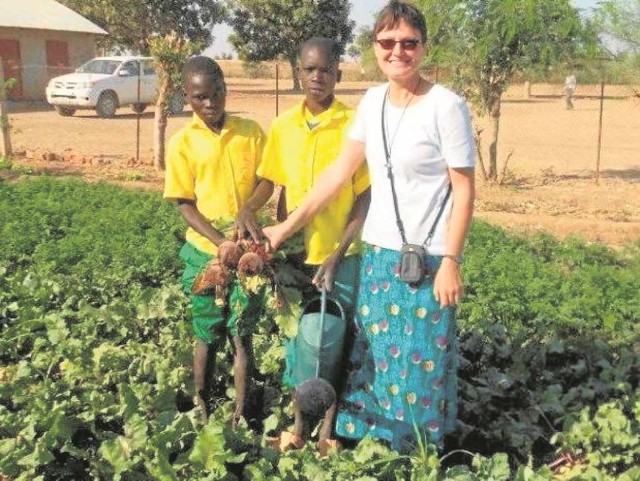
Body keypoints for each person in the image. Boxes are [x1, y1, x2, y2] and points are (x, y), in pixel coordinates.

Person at [263, 0, 476, 453]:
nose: (398, 51)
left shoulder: (446, 106)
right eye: (387, 42)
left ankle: (414, 452)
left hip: (429, 257)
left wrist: (451, 261)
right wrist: (284, 228)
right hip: (379, 255)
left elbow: (464, 189)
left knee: (420, 363)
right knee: (377, 359)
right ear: (375, 46)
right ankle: (373, 449)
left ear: (423, 47)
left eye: (408, 42)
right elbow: (338, 175)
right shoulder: (372, 102)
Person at [236, 37, 371, 454]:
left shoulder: (354, 125)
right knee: (299, 341)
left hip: (340, 255)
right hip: (294, 255)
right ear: (299, 72)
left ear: (338, 74)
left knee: (335, 339)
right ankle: (296, 429)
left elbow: (365, 196)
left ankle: (328, 434)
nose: (317, 77)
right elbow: (272, 182)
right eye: (310, 69)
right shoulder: (283, 127)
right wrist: (248, 210)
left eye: (326, 69)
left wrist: (337, 250)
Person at [163, 56, 267, 426]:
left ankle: (242, 412)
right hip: (205, 254)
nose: (210, 104)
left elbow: (266, 180)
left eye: (216, 93)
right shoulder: (182, 143)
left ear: (225, 86)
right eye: (200, 97)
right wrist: (220, 240)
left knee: (242, 332)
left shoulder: (250, 131)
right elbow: (183, 202)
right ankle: (204, 408)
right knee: (206, 333)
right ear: (187, 97)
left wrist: (249, 210)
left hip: (248, 253)